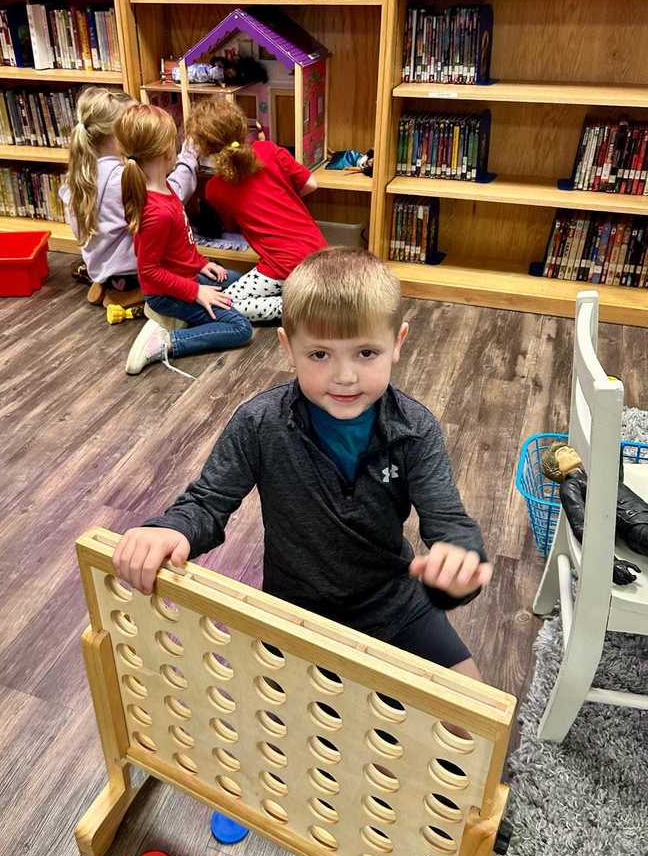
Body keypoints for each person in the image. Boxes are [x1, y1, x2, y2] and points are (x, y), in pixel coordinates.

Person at [112, 247, 492, 683]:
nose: (344, 376)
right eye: (319, 355)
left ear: (398, 344)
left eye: (366, 353)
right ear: (288, 348)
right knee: (291, 736)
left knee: (470, 723)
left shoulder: (415, 430)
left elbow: (449, 522)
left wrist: (461, 560)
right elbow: (206, 503)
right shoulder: (258, 423)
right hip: (294, 616)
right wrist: (169, 528)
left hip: (394, 604)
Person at [116, 104, 253, 377]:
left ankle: (183, 319)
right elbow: (149, 273)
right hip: (167, 295)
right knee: (240, 328)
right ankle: (166, 342)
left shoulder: (164, 186)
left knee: (238, 281)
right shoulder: (155, 212)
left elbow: (179, 244)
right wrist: (196, 292)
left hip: (188, 276)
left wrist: (201, 263)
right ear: (167, 152)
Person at [185, 98, 328, 323]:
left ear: (203, 147)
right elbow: (311, 184)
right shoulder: (268, 149)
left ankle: (300, 306)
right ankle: (304, 295)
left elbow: (231, 225)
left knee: (223, 305)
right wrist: (284, 197)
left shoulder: (215, 188)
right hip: (318, 252)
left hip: (283, 265)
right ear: (241, 125)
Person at [59, 87, 198, 295]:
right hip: (132, 273)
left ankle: (106, 284)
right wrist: (188, 157)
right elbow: (173, 195)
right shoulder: (121, 178)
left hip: (103, 266)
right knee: (195, 267)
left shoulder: (81, 173)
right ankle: (127, 293)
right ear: (119, 136)